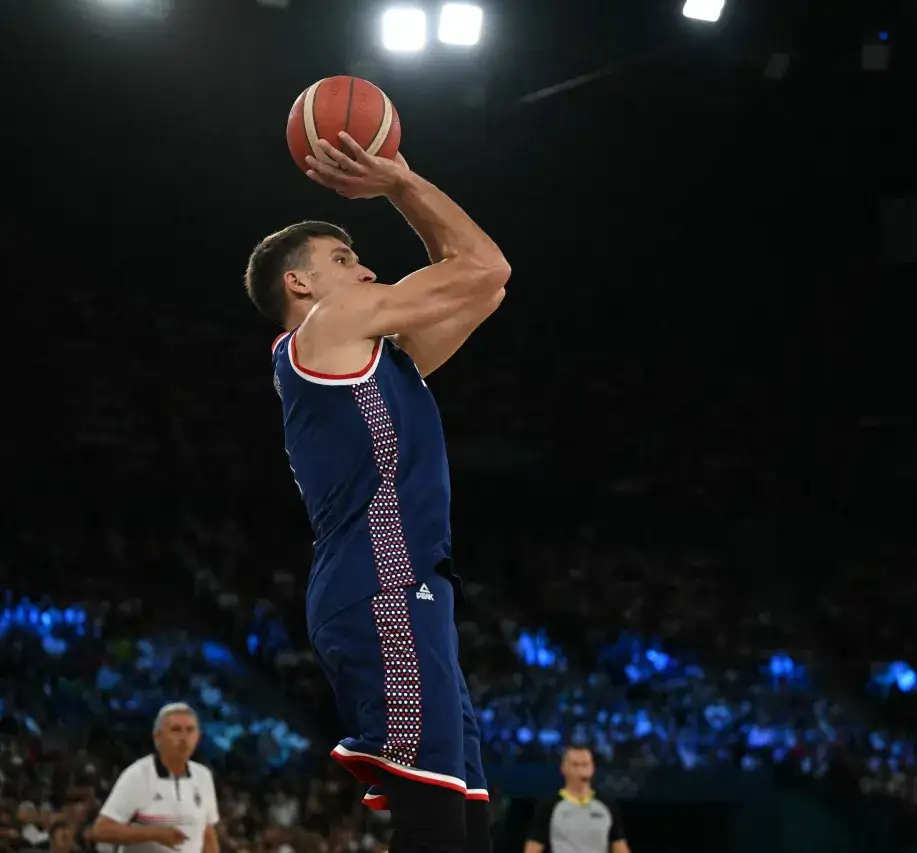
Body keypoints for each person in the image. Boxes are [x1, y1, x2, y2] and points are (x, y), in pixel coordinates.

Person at [243, 133, 511, 853]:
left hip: (414, 588)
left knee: (466, 822)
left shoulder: (386, 358)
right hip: (380, 582)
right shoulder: (329, 326)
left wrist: (403, 187)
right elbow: (486, 263)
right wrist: (398, 183)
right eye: (341, 259)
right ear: (299, 285)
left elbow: (486, 286)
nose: (364, 268)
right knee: (433, 821)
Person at [89, 703, 219, 853]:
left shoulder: (203, 776)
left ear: (198, 736)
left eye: (190, 730)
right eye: (176, 730)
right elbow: (101, 830)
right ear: (158, 736)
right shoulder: (138, 775)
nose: (184, 738)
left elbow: (208, 834)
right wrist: (154, 834)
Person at [524, 746, 630, 853]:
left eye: (585, 765)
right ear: (563, 769)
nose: (580, 770)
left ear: (592, 768)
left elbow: (619, 846)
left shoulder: (607, 805)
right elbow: (533, 848)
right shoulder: (549, 806)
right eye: (575, 765)